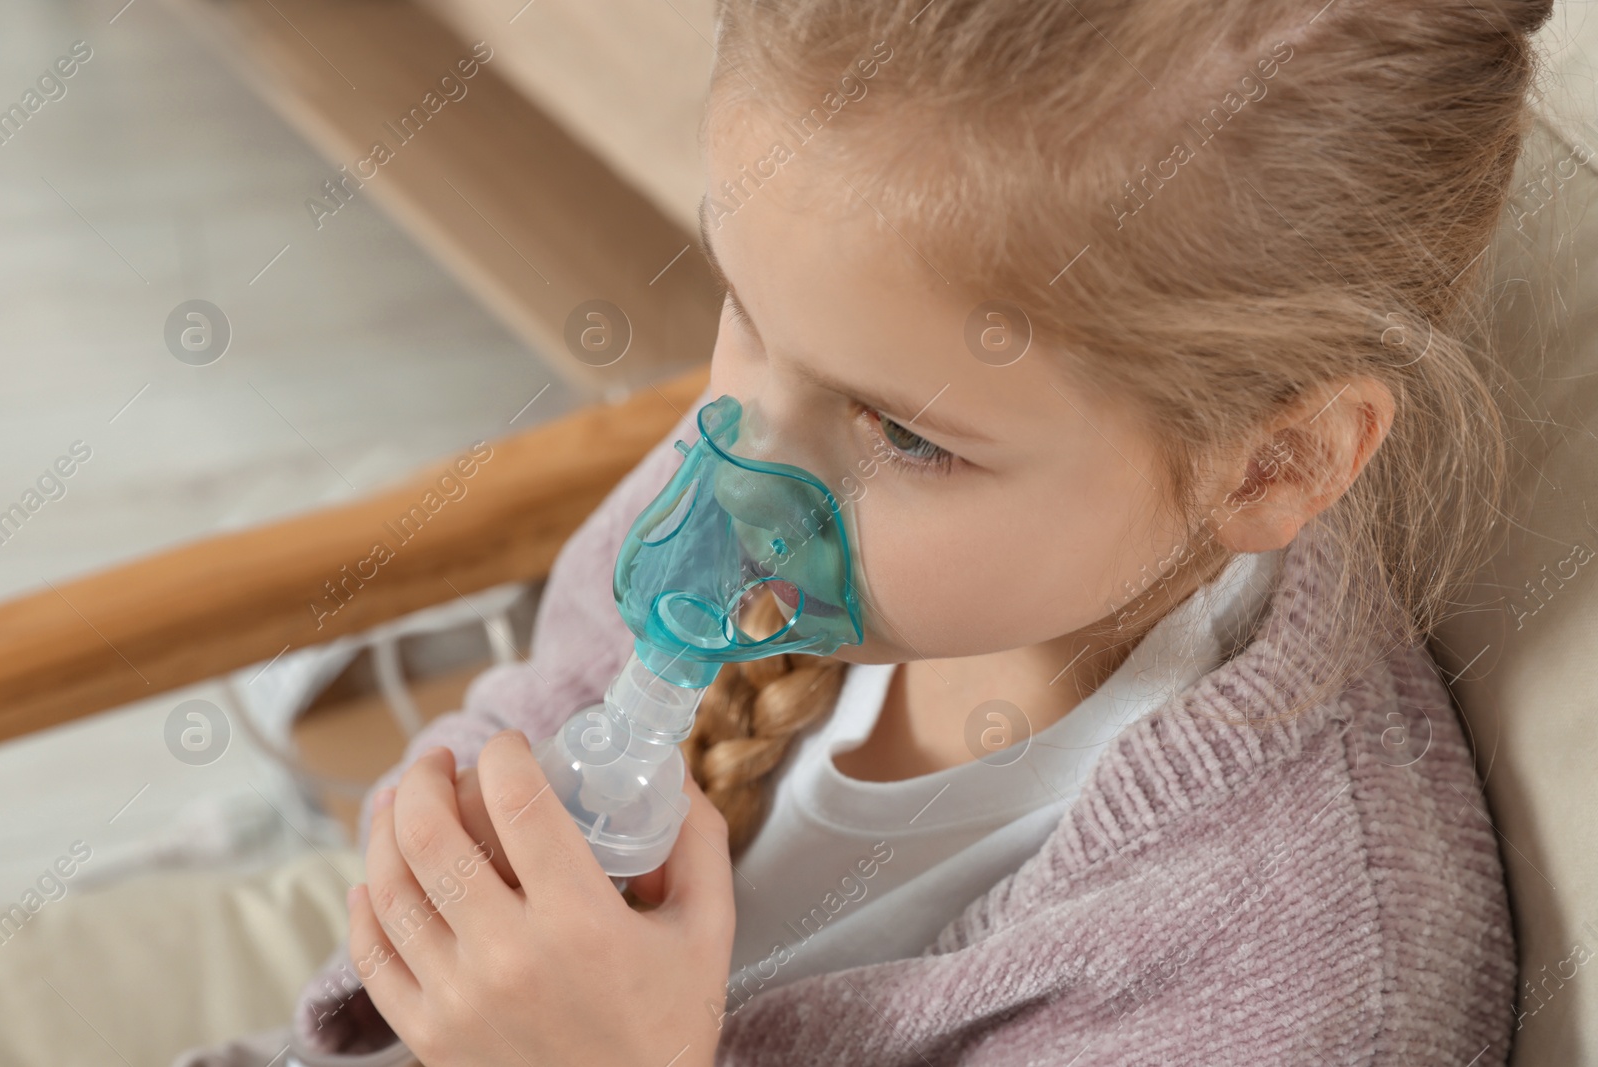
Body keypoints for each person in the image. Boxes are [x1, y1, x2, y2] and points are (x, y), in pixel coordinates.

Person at [181, 0, 1555, 1062]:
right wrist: (456, 853)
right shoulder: (794, 457)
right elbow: (537, 706)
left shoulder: (1296, 980)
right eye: (745, 313)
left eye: (906, 435)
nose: (735, 474)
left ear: (1275, 464)